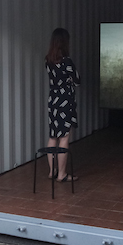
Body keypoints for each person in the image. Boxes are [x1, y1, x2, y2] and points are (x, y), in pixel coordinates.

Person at [45, 28, 80, 182]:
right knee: (64, 137)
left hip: (52, 100)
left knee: (53, 136)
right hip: (65, 101)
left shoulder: (48, 61)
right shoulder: (67, 62)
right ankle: (62, 174)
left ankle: (52, 171)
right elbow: (78, 80)